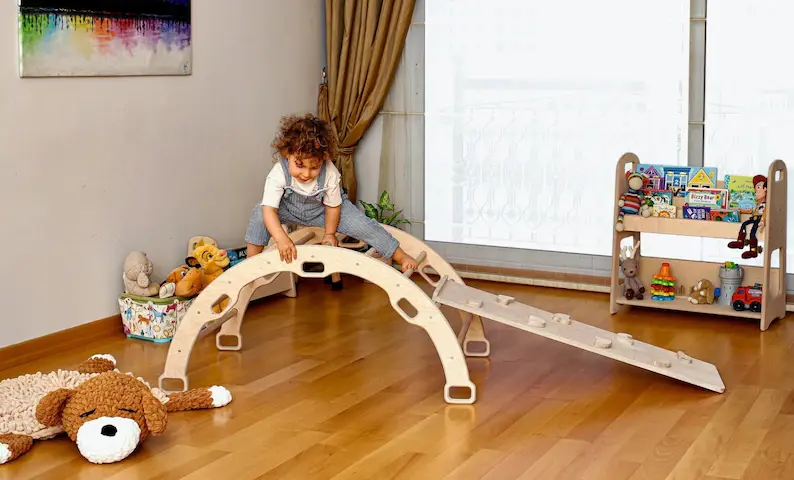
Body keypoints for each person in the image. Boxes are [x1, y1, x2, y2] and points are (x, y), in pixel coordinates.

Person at [245, 113, 418, 271]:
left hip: (323, 211)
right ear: (287, 154)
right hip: (289, 210)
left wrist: (329, 233)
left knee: (364, 225)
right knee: (259, 213)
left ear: (324, 159)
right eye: (300, 165)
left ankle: (400, 255)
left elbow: (333, 207)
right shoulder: (278, 172)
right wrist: (282, 239)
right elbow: (269, 210)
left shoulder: (330, 173)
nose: (306, 174)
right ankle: (250, 263)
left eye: (314, 167)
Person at [727, 174, 766, 259]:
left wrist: (762, 221)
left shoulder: (766, 204)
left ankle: (753, 250)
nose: (756, 192)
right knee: (744, 224)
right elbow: (753, 211)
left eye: (758, 189)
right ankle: (740, 242)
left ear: (766, 189)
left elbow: (765, 213)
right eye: (755, 190)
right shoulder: (758, 203)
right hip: (754, 218)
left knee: (752, 233)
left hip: (759, 220)